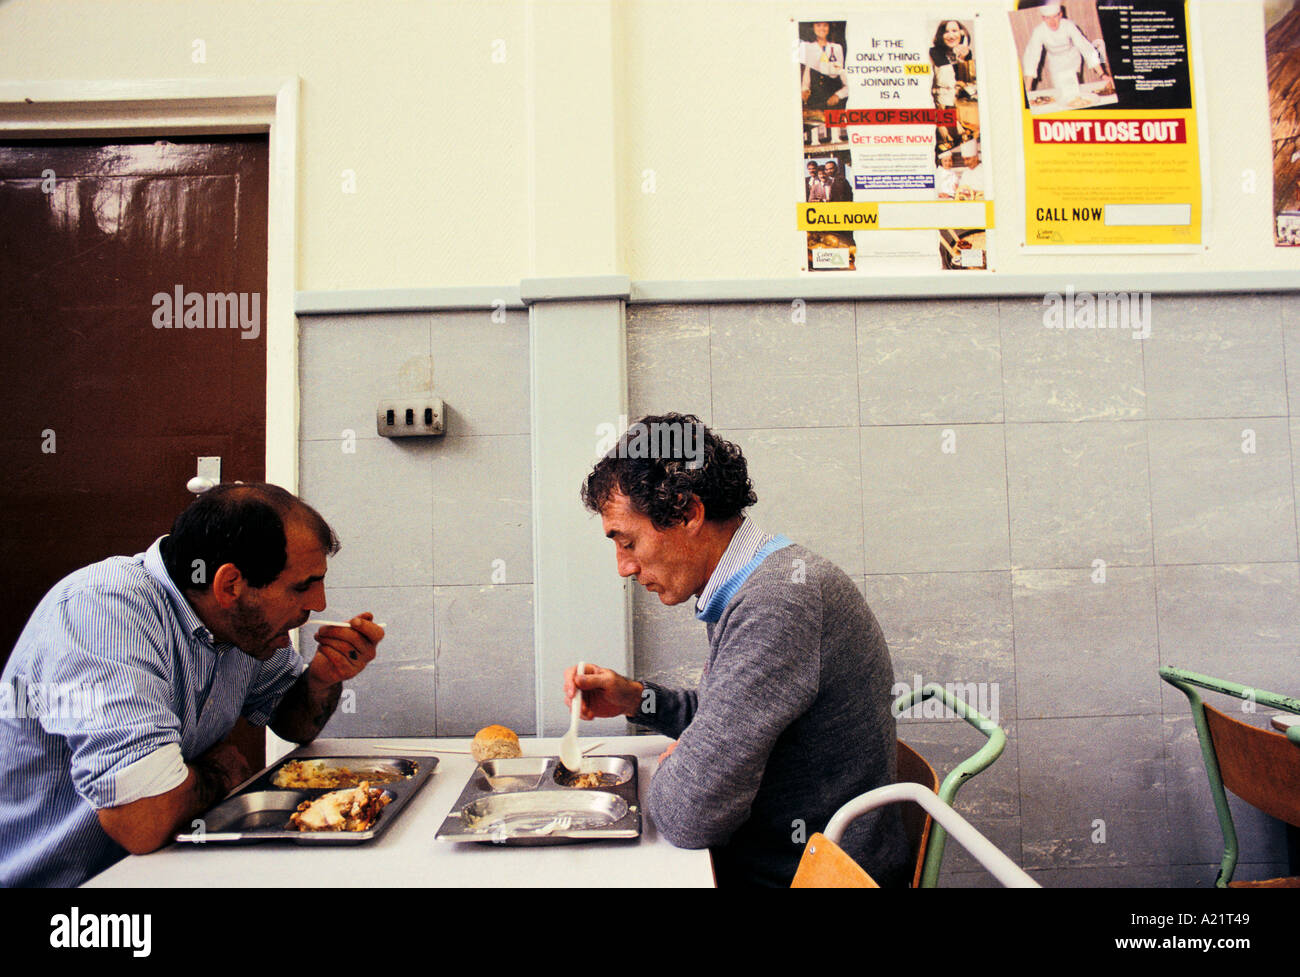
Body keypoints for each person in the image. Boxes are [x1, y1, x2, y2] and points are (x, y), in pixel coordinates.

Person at [568, 414, 909, 888]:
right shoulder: (761, 579)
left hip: (809, 876)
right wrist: (637, 699)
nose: (624, 567)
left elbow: (690, 815)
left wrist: (688, 767)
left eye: (628, 541)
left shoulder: (779, 601)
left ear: (687, 513)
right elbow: (727, 716)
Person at [0, 483, 382, 887]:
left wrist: (322, 678)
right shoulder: (102, 611)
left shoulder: (240, 627)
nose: (318, 604)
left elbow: (294, 724)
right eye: (302, 586)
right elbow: (141, 820)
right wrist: (219, 773)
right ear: (229, 585)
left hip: (163, 868)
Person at [1022, 3, 1107, 94]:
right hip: (1055, 64)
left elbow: (1085, 48)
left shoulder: (1069, 26)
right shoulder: (1039, 31)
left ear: (1061, 15)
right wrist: (1028, 87)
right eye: (1048, 18)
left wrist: (1102, 75)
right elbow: (1032, 56)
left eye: (1055, 16)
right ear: (1043, 18)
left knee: (1075, 91)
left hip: (1073, 60)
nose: (1052, 22)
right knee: (1062, 93)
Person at [801, 21, 848, 110]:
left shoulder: (837, 48)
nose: (822, 28)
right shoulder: (808, 48)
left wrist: (838, 95)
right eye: (818, 25)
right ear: (813, 28)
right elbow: (807, 73)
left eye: (825, 25)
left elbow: (842, 74)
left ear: (829, 28)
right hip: (815, 100)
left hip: (833, 99)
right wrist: (804, 90)